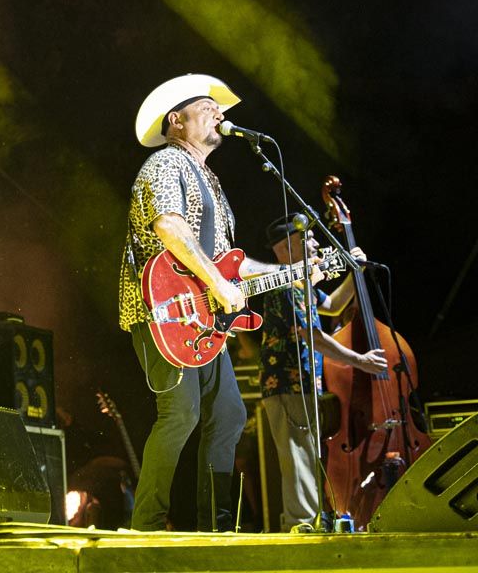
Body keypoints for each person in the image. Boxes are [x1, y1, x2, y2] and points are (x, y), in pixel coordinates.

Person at [117, 73, 280, 532]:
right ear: (176, 121)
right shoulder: (166, 163)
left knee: (228, 413)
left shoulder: (209, 179)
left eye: (218, 107)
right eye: (205, 106)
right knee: (180, 414)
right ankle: (145, 526)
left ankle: (217, 525)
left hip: (202, 323)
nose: (218, 112)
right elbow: (170, 227)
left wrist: (289, 275)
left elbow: (230, 262)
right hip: (162, 313)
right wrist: (218, 283)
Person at [258, 214, 386, 532]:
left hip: (303, 383)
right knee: (297, 459)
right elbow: (312, 334)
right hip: (288, 383)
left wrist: (355, 275)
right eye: (309, 238)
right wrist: (360, 360)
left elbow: (332, 305)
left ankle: (310, 524)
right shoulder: (285, 283)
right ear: (288, 246)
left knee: (306, 456)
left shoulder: (303, 285)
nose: (317, 243)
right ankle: (301, 527)